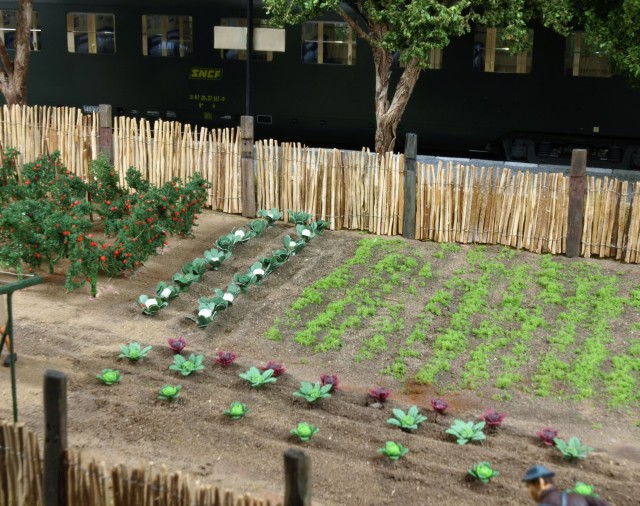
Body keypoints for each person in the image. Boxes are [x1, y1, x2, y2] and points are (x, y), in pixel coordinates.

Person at [522, 465, 610, 506]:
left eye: (529, 487)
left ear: (540, 483)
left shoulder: (547, 504)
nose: (529, 492)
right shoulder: (576, 496)